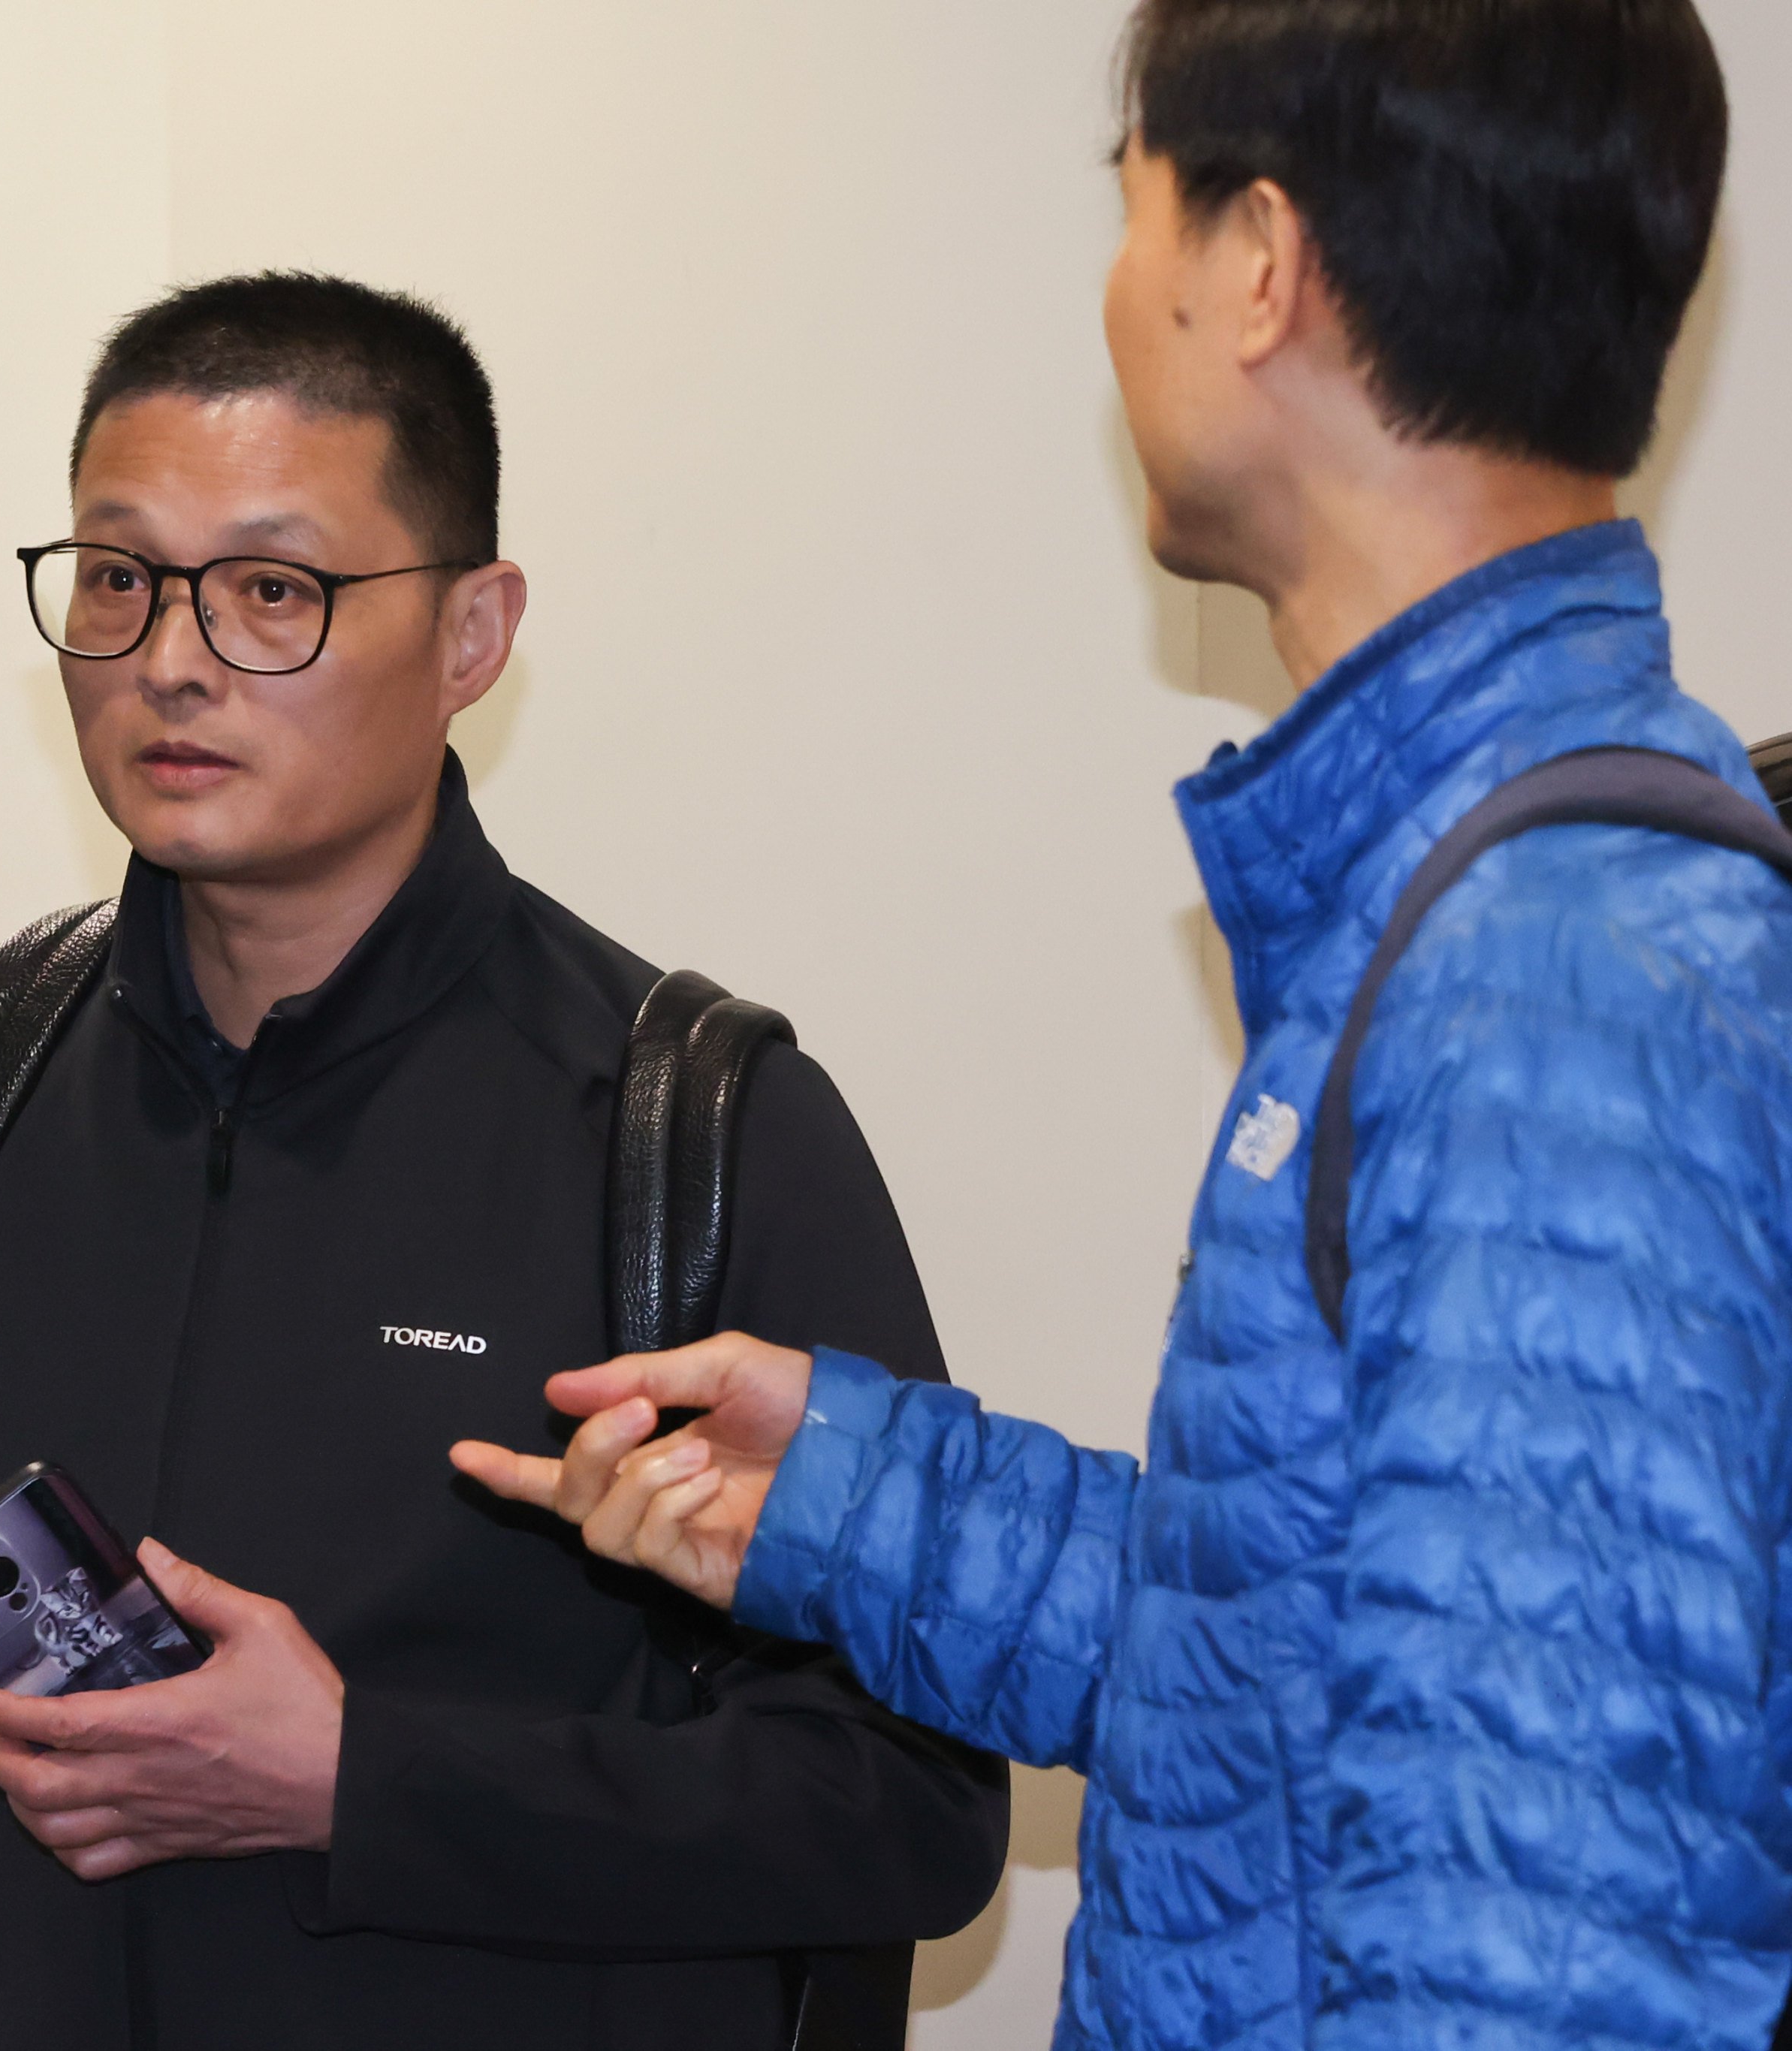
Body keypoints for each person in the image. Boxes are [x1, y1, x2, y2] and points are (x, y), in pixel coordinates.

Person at [456, 3, 1792, 2046]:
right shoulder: (1466, 895)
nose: (1116, 298)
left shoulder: (1550, 977)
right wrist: (840, 1495)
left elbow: (1542, 1953)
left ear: (1257, 265)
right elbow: (1292, 1683)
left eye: (1136, 218)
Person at [0, 273, 1007, 2051]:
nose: (170, 657)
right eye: (116, 578)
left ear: (471, 634)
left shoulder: (692, 1127)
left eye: (271, 590)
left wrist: (361, 1780)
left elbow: (910, 1805)